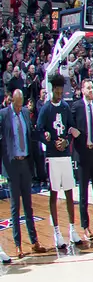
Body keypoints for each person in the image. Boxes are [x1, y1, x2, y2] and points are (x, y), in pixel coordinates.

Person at [38, 74, 85, 249]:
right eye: (56, 92)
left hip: (65, 155)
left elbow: (71, 127)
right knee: (53, 193)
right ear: (52, 91)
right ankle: (57, 232)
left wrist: (66, 140)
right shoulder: (45, 109)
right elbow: (39, 131)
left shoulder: (66, 107)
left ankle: (72, 229)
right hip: (52, 156)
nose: (59, 95)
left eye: (60, 92)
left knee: (69, 192)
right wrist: (49, 141)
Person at [1, 88, 43, 261]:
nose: (19, 109)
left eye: (21, 106)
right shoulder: (3, 115)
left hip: (25, 162)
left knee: (29, 205)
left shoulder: (25, 113)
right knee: (14, 208)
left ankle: (34, 241)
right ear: (12, 102)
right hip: (12, 165)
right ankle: (17, 244)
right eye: (17, 106)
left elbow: (31, 134)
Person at [69, 77, 93, 236]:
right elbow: (69, 123)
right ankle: (85, 226)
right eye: (88, 88)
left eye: (92, 88)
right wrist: (72, 130)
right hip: (82, 153)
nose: (91, 90)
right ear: (82, 90)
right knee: (83, 192)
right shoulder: (76, 106)